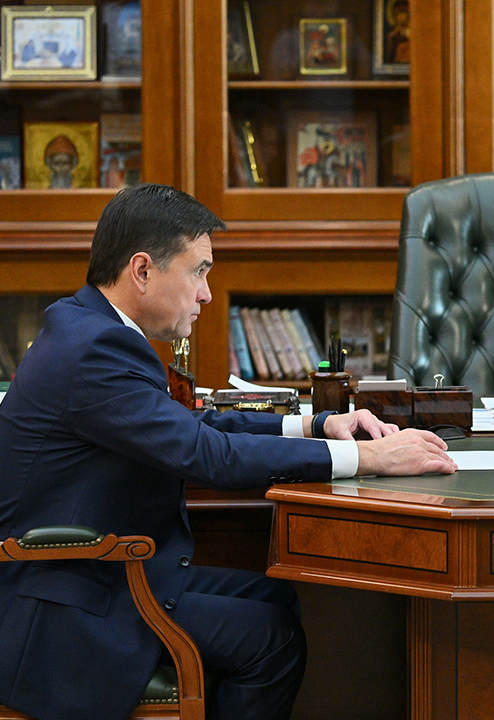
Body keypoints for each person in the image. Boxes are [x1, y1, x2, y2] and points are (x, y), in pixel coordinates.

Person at [0, 183, 457, 720]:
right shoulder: (93, 349)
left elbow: (194, 423)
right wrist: (371, 459)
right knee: (272, 641)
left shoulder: (89, 329)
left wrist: (317, 423)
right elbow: (206, 454)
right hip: (68, 601)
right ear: (142, 270)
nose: (207, 295)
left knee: (277, 600)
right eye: (199, 271)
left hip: (106, 573)